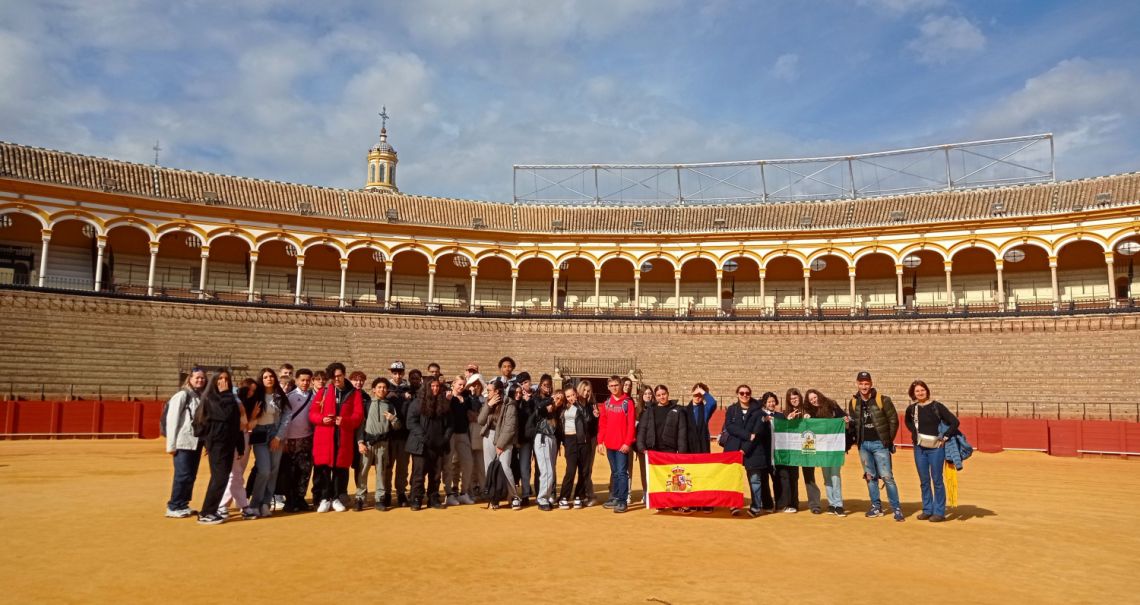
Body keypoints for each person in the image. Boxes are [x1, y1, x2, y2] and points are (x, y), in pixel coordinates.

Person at [846, 371, 902, 521]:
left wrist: (887, 440)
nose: (864, 386)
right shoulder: (853, 402)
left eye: (866, 383)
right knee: (870, 477)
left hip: (879, 444)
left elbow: (893, 420)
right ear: (857, 384)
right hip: (863, 445)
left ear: (871, 384)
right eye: (861, 383)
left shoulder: (883, 399)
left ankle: (896, 508)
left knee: (887, 477)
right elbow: (854, 423)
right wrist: (848, 424)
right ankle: (876, 506)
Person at [310, 362, 363, 513]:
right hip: (325, 436)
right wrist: (322, 419)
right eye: (333, 377)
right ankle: (325, 498)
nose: (336, 379)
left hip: (343, 436)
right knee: (324, 469)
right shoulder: (324, 391)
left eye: (339, 376)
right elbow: (312, 413)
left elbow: (358, 416)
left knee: (341, 469)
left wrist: (345, 421)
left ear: (344, 374)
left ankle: (336, 498)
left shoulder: (354, 393)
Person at [904, 380, 959, 522]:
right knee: (924, 480)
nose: (920, 393)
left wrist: (945, 436)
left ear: (927, 391)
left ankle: (939, 512)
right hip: (919, 448)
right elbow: (907, 422)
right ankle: (927, 510)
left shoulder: (937, 406)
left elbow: (954, 422)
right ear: (913, 393)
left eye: (922, 390)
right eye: (917, 391)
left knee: (937, 480)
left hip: (936, 448)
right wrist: (914, 433)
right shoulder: (912, 409)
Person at [197, 369, 243, 525]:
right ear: (214, 381)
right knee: (219, 478)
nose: (224, 382)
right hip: (218, 444)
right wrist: (225, 395)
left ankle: (211, 510)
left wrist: (239, 445)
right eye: (220, 379)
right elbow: (224, 415)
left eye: (226, 379)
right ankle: (206, 512)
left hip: (228, 444)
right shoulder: (211, 398)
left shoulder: (229, 398)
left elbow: (235, 423)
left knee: (221, 478)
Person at [247, 368, 290, 518]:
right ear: (261, 379)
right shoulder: (256, 395)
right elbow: (247, 416)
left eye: (271, 376)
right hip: (259, 434)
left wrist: (278, 437)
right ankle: (255, 504)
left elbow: (287, 416)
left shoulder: (279, 395)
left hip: (275, 433)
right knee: (264, 470)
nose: (269, 379)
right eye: (265, 377)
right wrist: (252, 417)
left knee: (273, 470)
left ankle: (266, 503)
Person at [722, 385, 771, 517]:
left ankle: (756, 506)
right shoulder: (732, 409)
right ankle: (733, 504)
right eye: (742, 393)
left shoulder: (759, 412)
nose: (745, 395)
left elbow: (757, 433)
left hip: (753, 449)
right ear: (737, 394)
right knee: (732, 478)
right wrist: (748, 435)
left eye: (747, 393)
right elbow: (730, 427)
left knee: (755, 479)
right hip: (733, 449)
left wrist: (744, 449)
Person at [164, 368, 206, 518]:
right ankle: (174, 506)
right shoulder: (182, 395)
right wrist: (171, 445)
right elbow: (172, 420)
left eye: (202, 378)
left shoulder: (200, 396)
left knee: (190, 475)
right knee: (183, 475)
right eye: (197, 378)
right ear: (190, 379)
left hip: (196, 441)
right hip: (183, 441)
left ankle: (183, 504)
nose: (200, 380)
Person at [407, 377, 453, 510]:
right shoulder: (417, 403)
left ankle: (433, 498)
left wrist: (445, 438)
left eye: (437, 386)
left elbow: (450, 424)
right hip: (421, 445)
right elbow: (411, 422)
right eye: (432, 386)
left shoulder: (444, 403)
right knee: (419, 474)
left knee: (436, 474)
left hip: (438, 445)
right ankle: (416, 498)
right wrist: (423, 437)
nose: (435, 388)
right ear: (427, 387)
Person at [355, 377, 399, 511]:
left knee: (381, 472)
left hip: (383, 443)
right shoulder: (367, 404)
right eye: (379, 387)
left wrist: (393, 419)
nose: (382, 389)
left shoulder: (390, 406)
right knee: (363, 471)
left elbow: (397, 427)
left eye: (384, 387)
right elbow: (360, 426)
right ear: (374, 390)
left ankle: (380, 499)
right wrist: (360, 442)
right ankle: (360, 498)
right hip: (368, 443)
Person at [775, 387, 820, 513]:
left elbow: (817, 426)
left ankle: (815, 505)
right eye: (791, 399)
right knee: (793, 477)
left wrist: (810, 419)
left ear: (800, 397)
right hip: (793, 449)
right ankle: (793, 503)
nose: (794, 400)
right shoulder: (785, 413)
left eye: (795, 397)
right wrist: (787, 421)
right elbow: (782, 431)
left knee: (809, 477)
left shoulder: (808, 410)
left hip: (807, 447)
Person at [478, 379, 520, 509]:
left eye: (489, 390)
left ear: (497, 391)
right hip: (488, 436)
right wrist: (489, 405)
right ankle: (494, 497)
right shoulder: (488, 402)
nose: (487, 392)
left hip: (504, 438)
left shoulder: (509, 404)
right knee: (489, 468)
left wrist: (500, 445)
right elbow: (480, 421)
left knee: (505, 467)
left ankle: (513, 497)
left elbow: (510, 427)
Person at [806, 388, 848, 517]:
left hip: (834, 447)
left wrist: (845, 420)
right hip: (822, 449)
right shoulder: (812, 412)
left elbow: (843, 418)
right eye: (811, 400)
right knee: (827, 477)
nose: (814, 400)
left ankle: (838, 504)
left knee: (835, 476)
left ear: (819, 395)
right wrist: (807, 419)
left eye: (814, 397)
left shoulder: (832, 405)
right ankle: (831, 503)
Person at [279, 368, 316, 512]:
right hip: (290, 440)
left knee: (305, 471)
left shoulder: (313, 396)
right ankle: (290, 500)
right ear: (296, 380)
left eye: (308, 380)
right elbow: (284, 418)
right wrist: (284, 439)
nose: (305, 383)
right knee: (291, 471)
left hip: (306, 438)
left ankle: (300, 498)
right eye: (302, 380)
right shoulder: (290, 397)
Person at [597, 375, 635, 513]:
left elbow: (631, 425)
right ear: (608, 387)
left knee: (622, 473)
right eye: (611, 386)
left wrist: (627, 443)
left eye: (616, 385)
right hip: (610, 444)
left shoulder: (627, 403)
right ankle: (615, 497)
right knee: (614, 473)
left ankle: (622, 500)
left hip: (622, 446)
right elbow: (603, 424)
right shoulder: (607, 403)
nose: (614, 388)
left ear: (621, 385)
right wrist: (600, 441)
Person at [220, 378, 257, 519]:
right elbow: (244, 424)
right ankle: (224, 505)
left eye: (253, 391)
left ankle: (237, 503)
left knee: (238, 473)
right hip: (233, 439)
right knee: (234, 473)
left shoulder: (247, 402)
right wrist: (251, 417)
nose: (251, 393)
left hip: (243, 438)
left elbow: (247, 425)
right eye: (249, 390)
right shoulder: (235, 399)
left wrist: (252, 417)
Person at [443, 376, 476, 506]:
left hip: (463, 433)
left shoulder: (466, 399)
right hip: (450, 434)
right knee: (448, 464)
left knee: (468, 463)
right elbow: (443, 413)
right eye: (459, 384)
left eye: (463, 385)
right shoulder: (447, 397)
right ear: (453, 384)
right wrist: (447, 401)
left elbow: (470, 414)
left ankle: (464, 492)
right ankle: (449, 494)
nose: (461, 387)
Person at [384, 362, 413, 507]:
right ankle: (387, 493)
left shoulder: (408, 389)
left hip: (404, 434)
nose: (397, 375)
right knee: (387, 466)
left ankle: (401, 492)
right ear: (391, 373)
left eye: (400, 372)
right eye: (395, 372)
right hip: (389, 434)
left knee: (402, 466)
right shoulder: (385, 388)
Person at [557, 386, 591, 509]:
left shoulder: (582, 406)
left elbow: (587, 418)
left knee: (583, 471)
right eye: (568, 396)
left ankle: (578, 496)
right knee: (570, 470)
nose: (571, 398)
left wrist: (578, 405)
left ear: (576, 394)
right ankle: (564, 497)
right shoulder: (563, 408)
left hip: (582, 440)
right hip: (569, 440)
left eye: (572, 395)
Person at [531, 377, 561, 511]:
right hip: (542, 435)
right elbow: (539, 406)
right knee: (546, 470)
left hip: (552, 436)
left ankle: (547, 496)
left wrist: (556, 403)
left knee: (551, 470)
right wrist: (551, 400)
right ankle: (542, 498)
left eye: (549, 385)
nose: (547, 387)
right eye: (544, 385)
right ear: (540, 385)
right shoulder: (536, 398)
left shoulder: (551, 400)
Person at [511, 371, 537, 507]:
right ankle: (521, 493)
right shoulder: (517, 399)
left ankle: (529, 492)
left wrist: (529, 402)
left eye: (526, 382)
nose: (524, 386)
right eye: (522, 384)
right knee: (520, 466)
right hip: (520, 438)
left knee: (529, 466)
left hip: (532, 437)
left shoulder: (536, 396)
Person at [575, 379, 600, 506]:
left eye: (588, 391)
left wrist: (596, 417)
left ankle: (587, 495)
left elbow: (595, 426)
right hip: (577, 440)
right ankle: (582, 494)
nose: (586, 393)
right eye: (584, 390)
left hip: (590, 439)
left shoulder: (592, 406)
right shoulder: (574, 405)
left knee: (587, 468)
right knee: (579, 468)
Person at [755, 392, 780, 512]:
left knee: (778, 480)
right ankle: (767, 504)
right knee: (764, 480)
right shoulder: (759, 416)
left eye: (773, 401)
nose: (771, 404)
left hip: (777, 455)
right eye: (769, 402)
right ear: (764, 403)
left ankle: (780, 503)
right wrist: (763, 420)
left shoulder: (780, 416)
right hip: (763, 454)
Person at [466, 374, 487, 498]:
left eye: (478, 384)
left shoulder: (486, 399)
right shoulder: (467, 399)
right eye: (473, 384)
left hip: (481, 433)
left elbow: (483, 417)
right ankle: (471, 489)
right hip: (469, 432)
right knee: (469, 464)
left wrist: (477, 416)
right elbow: (469, 414)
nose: (475, 387)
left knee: (481, 464)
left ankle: (483, 488)